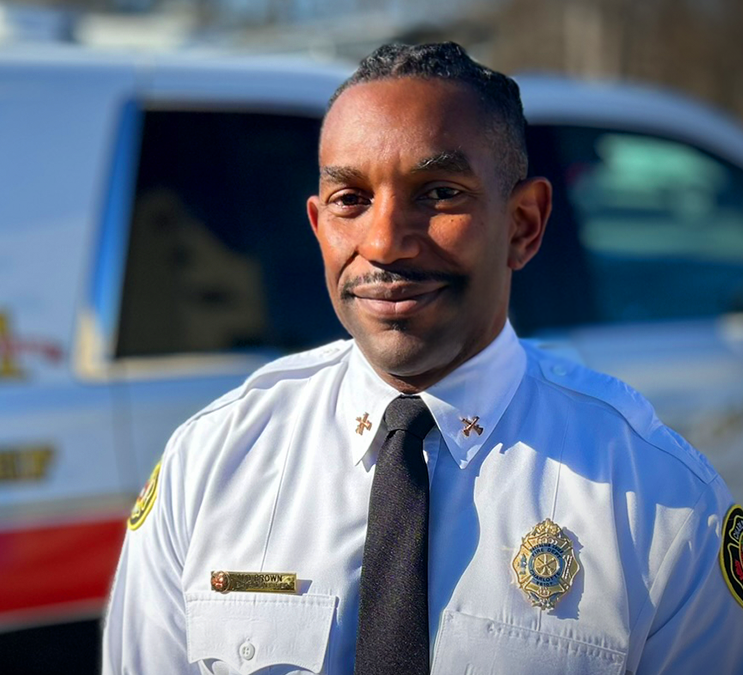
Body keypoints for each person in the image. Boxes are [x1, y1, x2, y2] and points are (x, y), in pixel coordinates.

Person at [101, 42, 743, 674]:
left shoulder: (661, 502)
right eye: (351, 199)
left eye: (438, 193)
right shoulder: (211, 463)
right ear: (319, 226)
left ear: (523, 224)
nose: (385, 243)